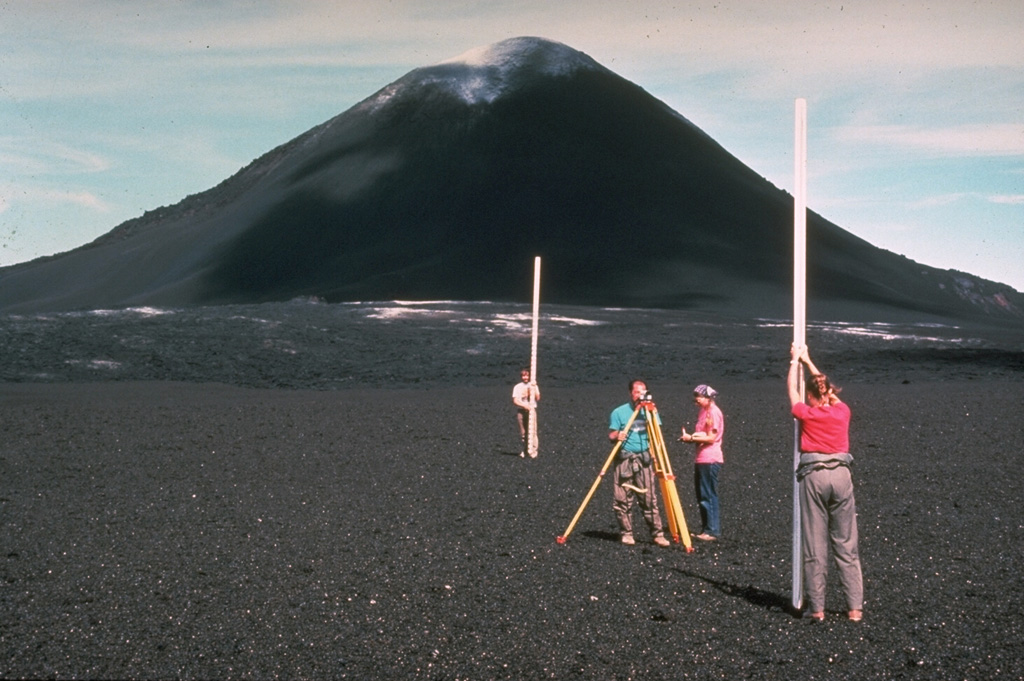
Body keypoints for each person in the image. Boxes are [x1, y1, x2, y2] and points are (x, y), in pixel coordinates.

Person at [788, 344, 864, 623]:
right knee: (846, 543)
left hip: (814, 476)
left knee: (815, 544)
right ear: (829, 394)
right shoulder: (842, 412)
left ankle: (817, 608)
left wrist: (795, 362)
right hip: (841, 476)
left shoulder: (807, 413)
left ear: (811, 396)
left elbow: (794, 394)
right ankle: (854, 608)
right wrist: (810, 361)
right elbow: (827, 391)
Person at [608, 380, 671, 547]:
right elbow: (611, 435)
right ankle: (626, 533)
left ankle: (657, 534)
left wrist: (655, 456)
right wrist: (617, 435)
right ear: (631, 393)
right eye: (637, 392)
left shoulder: (650, 412)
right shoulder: (619, 412)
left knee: (649, 499)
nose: (640, 395)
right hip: (624, 459)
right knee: (622, 499)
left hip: (644, 459)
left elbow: (656, 435)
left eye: (643, 392)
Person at [679, 384, 724, 541]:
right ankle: (706, 529)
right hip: (701, 458)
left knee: (708, 494)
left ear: (708, 397)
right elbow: (703, 433)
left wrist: (691, 438)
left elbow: (711, 437)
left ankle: (712, 531)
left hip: (710, 458)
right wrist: (692, 437)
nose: (696, 400)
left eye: (698, 396)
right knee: (701, 494)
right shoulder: (703, 412)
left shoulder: (713, 413)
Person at [512, 368, 540, 458]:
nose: (525, 377)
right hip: (521, 411)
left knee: (533, 431)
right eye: (523, 376)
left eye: (527, 375)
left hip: (531, 411)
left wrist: (534, 389)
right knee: (523, 432)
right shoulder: (517, 387)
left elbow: (538, 398)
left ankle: (534, 451)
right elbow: (515, 400)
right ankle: (524, 450)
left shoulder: (534, 385)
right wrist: (524, 406)